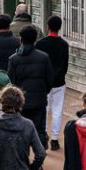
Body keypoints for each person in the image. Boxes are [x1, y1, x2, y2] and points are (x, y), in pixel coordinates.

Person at [7, 25, 53, 156]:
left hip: (20, 102)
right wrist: (44, 91)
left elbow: (11, 81)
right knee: (39, 129)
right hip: (39, 100)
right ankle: (39, 158)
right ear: (35, 40)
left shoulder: (14, 59)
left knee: (21, 130)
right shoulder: (44, 57)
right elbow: (50, 79)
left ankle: (24, 158)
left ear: (20, 39)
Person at [35, 15, 69, 151]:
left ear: (48, 27)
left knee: (44, 109)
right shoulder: (64, 44)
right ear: (60, 27)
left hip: (43, 82)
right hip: (59, 81)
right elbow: (65, 65)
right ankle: (55, 139)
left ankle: (43, 136)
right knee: (57, 110)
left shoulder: (41, 43)